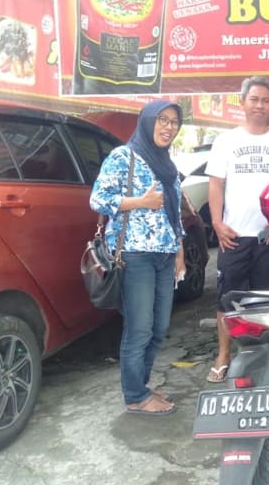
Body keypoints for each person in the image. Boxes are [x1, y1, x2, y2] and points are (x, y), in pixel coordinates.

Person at [90, 100, 185, 416]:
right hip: (135, 254)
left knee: (159, 327)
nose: (168, 127)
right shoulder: (123, 156)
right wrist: (139, 202)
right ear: (147, 121)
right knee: (140, 328)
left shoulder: (168, 164)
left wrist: (180, 252)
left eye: (174, 122)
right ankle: (135, 395)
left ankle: (141, 385)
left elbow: (175, 214)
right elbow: (98, 199)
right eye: (162, 119)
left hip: (165, 254)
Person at [206, 76, 269, 383]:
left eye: (266, 100)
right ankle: (223, 354)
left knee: (266, 299)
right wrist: (217, 223)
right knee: (226, 299)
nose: (260, 105)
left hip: (268, 235)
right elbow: (216, 184)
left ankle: (264, 356)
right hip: (233, 235)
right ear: (243, 102)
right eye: (254, 99)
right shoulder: (226, 140)